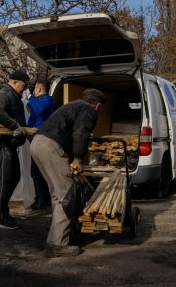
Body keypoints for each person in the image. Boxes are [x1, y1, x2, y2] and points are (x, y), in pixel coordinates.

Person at [30, 88, 105, 258]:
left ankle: (59, 237)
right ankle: (57, 244)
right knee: (67, 196)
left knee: (57, 194)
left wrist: (73, 158)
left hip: (37, 143)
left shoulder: (72, 105)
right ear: (97, 105)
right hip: (50, 146)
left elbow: (70, 134)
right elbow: (81, 133)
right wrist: (78, 159)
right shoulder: (88, 110)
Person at [0, 70, 30, 229]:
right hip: (1, 143)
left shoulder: (13, 95)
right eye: (23, 86)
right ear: (14, 82)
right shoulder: (4, 94)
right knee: (5, 180)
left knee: (14, 177)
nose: (25, 89)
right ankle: (2, 217)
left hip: (8, 144)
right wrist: (15, 126)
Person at [27, 80, 55, 210]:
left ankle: (42, 200)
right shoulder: (37, 101)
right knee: (36, 172)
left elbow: (38, 109)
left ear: (39, 90)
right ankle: (43, 198)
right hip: (35, 138)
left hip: (43, 140)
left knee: (39, 172)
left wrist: (30, 97)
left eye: (34, 90)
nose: (33, 92)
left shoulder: (47, 100)